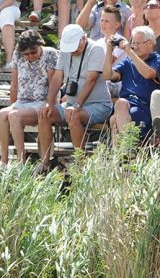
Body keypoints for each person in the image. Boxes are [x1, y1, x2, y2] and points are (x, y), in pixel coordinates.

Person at [36, 24, 113, 171]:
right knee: (43, 115)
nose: (72, 51)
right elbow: (58, 77)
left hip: (98, 104)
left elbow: (91, 79)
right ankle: (44, 163)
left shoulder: (96, 49)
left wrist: (77, 105)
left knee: (73, 116)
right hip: (71, 104)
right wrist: (49, 103)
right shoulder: (65, 51)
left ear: (84, 38)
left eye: (75, 47)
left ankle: (80, 163)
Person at [0, 30, 59, 167]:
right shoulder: (17, 54)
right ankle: (4, 161)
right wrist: (13, 104)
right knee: (2, 114)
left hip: (41, 102)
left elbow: (54, 84)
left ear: (39, 45)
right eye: (26, 54)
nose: (30, 56)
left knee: (14, 115)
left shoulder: (50, 54)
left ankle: (20, 162)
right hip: (22, 101)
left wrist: (50, 105)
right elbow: (14, 84)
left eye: (33, 52)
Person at [105, 26, 160, 143]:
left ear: (150, 43)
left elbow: (148, 74)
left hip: (144, 108)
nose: (134, 46)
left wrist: (130, 52)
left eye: (138, 43)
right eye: (133, 43)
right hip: (125, 107)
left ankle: (123, 154)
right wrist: (109, 51)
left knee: (114, 120)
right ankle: (127, 150)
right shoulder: (128, 61)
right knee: (120, 103)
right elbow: (107, 75)